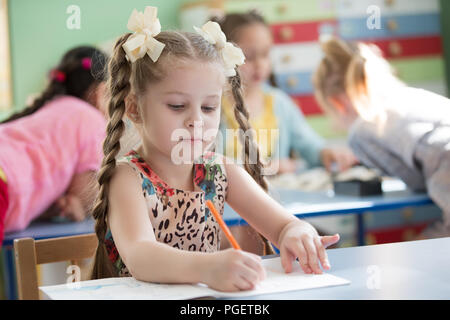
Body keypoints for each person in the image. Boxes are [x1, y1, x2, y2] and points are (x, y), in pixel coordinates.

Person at [90, 6, 340, 292]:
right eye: (177, 106)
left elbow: (284, 225)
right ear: (134, 108)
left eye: (209, 107)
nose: (196, 121)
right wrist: (208, 267)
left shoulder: (220, 170)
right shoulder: (127, 178)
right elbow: (140, 255)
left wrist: (298, 233)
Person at [313, 37, 450, 239]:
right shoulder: (408, 95)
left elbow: (414, 179)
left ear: (337, 103)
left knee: (418, 252)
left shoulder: (360, 131)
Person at [214, 11, 357, 175]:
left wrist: (326, 153)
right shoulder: (212, 106)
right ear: (223, 56)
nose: (260, 64)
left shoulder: (279, 103)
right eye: (249, 57)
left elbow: (310, 144)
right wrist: (266, 168)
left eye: (266, 54)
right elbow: (204, 163)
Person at [0, 46, 108, 245]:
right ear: (99, 92)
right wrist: (77, 206)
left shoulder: (46, 108)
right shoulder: (91, 118)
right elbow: (84, 194)